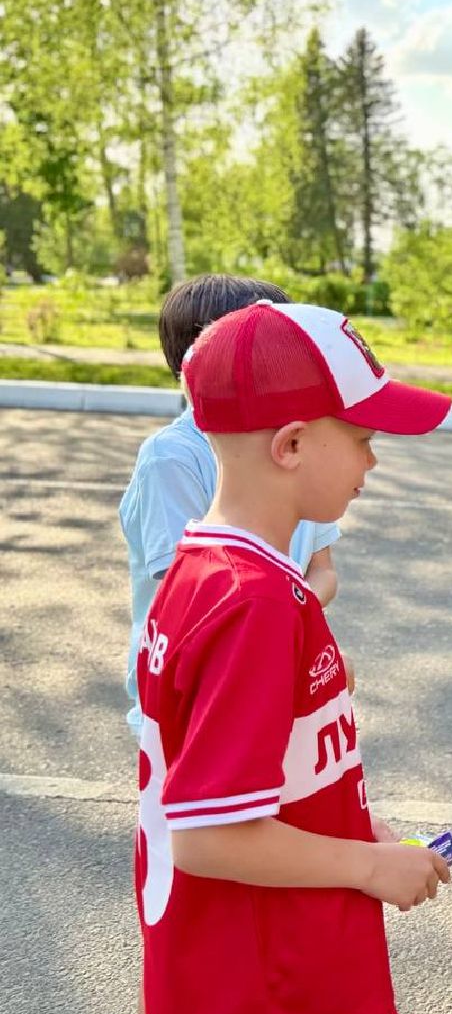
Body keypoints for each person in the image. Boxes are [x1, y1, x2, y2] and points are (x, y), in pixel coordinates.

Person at [133, 300, 452, 1014]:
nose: (372, 462)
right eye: (365, 439)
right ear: (292, 444)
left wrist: (354, 827)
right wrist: (369, 867)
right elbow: (210, 838)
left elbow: (256, 779)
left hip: (266, 965)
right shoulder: (255, 605)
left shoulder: (207, 569)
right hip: (272, 995)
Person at [120, 275, 341, 739]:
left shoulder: (290, 448)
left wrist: (288, 622)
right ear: (199, 362)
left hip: (275, 668)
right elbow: (194, 594)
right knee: (213, 809)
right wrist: (285, 616)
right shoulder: (173, 457)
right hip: (195, 689)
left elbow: (323, 570)